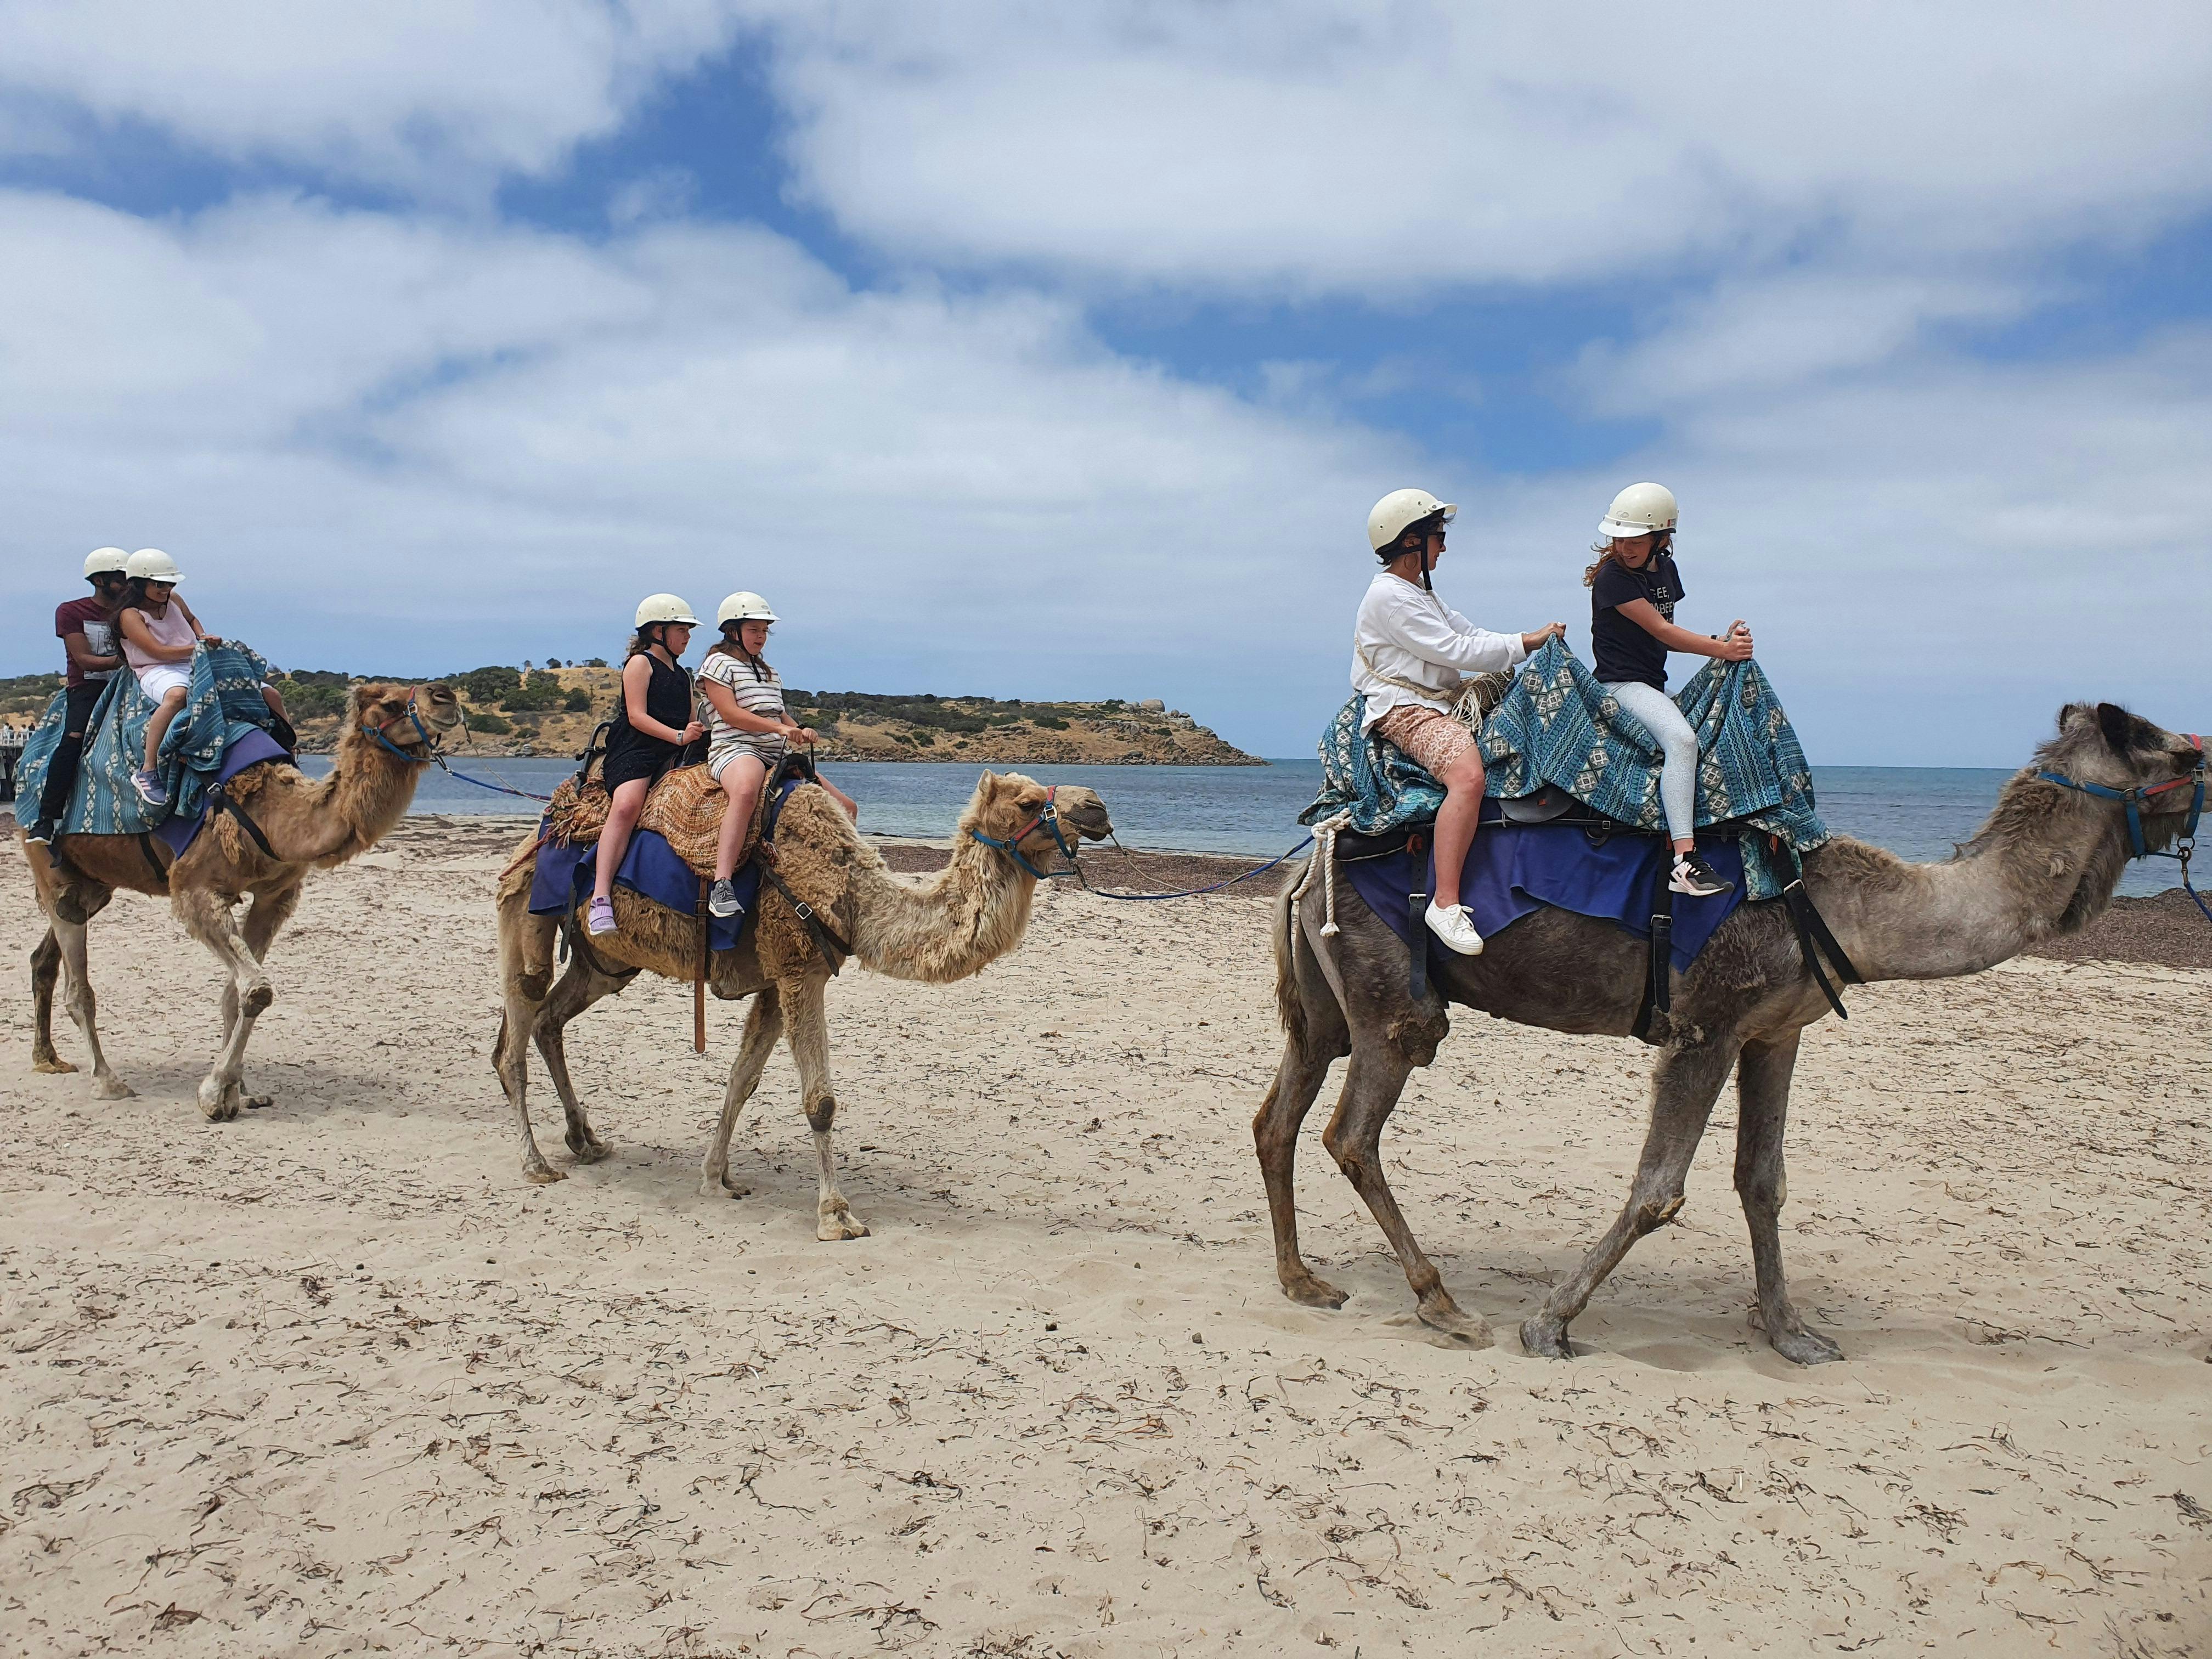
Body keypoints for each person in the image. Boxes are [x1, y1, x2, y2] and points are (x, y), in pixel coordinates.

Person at [1355, 489, 1566, 955]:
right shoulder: (1391, 598)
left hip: (1438, 701)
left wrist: (1523, 639)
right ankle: (1444, 903)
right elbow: (1455, 652)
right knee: (1467, 777)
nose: (1443, 547)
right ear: (1411, 541)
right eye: (1437, 536)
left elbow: (1469, 633)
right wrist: (1528, 642)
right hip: (1405, 708)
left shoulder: (1420, 592)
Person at [1584, 482, 1753, 898]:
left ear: (1662, 538)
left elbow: (1668, 634)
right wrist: (1722, 650)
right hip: (1620, 684)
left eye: (1635, 540)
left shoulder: (1666, 572)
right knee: (1682, 741)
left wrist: (1720, 644)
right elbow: (1663, 631)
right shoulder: (1612, 578)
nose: (1624, 548)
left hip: (1654, 683)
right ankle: (1684, 861)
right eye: (1619, 539)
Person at [696, 591, 857, 919]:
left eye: (765, 630)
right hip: (736, 748)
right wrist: (781, 731)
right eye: (754, 629)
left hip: (776, 753)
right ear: (733, 631)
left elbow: (779, 715)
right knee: (745, 791)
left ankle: (840, 878)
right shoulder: (717, 664)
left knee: (847, 807)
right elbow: (729, 714)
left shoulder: (770, 672)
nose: (761, 637)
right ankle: (722, 884)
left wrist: (799, 729)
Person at [586, 595, 707, 935]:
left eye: (688, 631)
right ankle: (600, 898)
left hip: (677, 744)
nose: (687, 637)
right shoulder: (640, 664)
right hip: (638, 747)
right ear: (658, 631)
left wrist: (699, 727)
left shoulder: (683, 674)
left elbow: (689, 717)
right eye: (681, 630)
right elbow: (637, 716)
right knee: (626, 806)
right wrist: (679, 736)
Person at [25, 548, 131, 843]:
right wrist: (131, 659)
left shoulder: (133, 611)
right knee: (72, 740)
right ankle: (46, 819)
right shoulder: (72, 611)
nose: (127, 585)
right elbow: (84, 660)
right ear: (99, 580)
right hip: (89, 688)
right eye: (120, 578)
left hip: (133, 684)